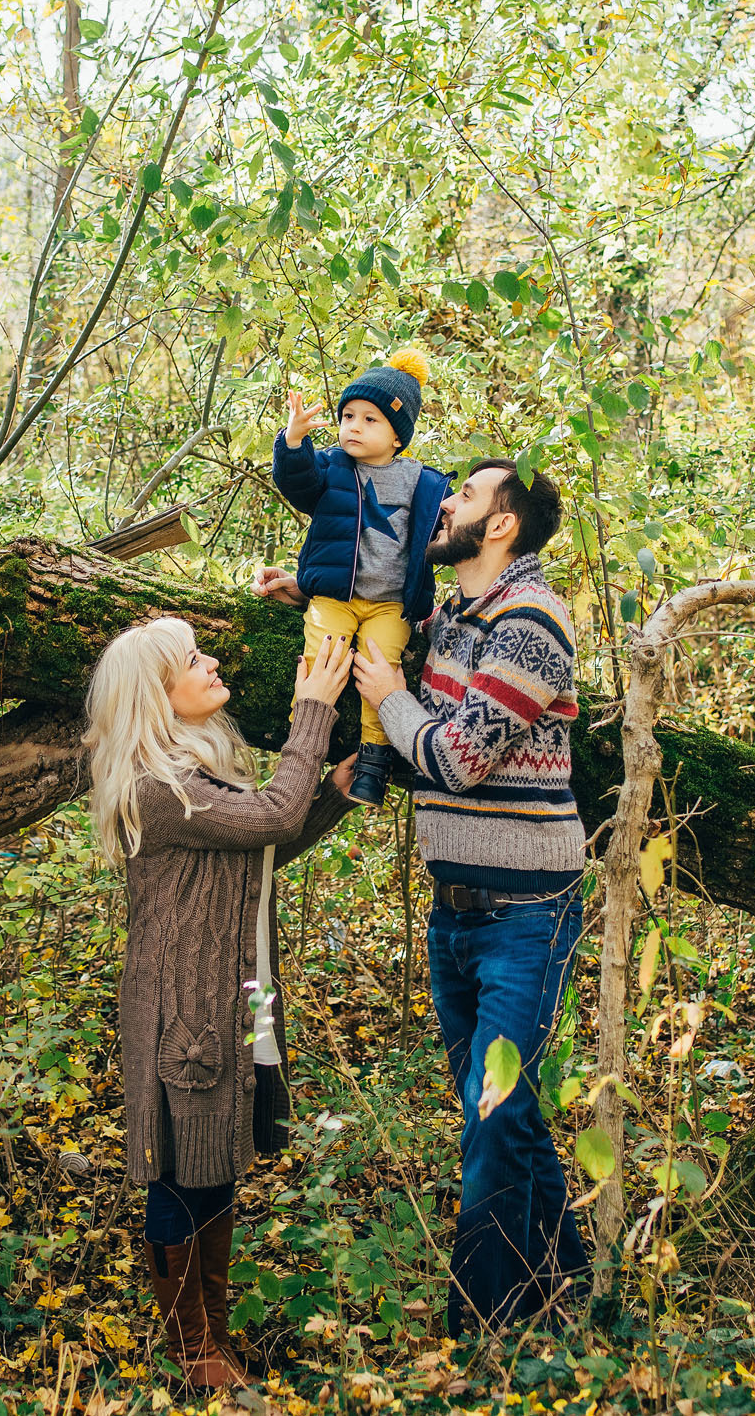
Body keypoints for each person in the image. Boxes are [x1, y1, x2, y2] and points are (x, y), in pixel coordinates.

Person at [257, 457, 586, 1337]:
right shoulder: (453, 618)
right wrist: (310, 595)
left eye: (465, 496)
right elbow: (392, 645)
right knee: (503, 1114)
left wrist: (396, 702)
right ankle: (569, 1293)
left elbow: (458, 756)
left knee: (495, 1114)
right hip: (457, 909)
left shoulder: (531, 622)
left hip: (528, 906)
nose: (444, 503)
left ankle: (477, 1338)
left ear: (503, 524)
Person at [83, 619, 359, 1388]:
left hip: (232, 996)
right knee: (182, 1173)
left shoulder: (189, 775)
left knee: (216, 1168)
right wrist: (313, 709)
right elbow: (270, 815)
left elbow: (261, 840)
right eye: (192, 659)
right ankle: (190, 1347)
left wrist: (332, 791)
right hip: (186, 1010)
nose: (212, 661)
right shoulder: (156, 787)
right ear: (156, 696)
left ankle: (211, 1332)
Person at [270, 348, 453, 805]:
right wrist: (293, 441)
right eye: (348, 415)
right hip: (335, 597)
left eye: (370, 419)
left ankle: (374, 760)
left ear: (398, 437)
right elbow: (297, 482)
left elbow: (446, 532)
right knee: (320, 660)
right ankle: (303, 746)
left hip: (390, 603)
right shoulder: (331, 467)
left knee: (380, 673)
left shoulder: (420, 482)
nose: (353, 426)